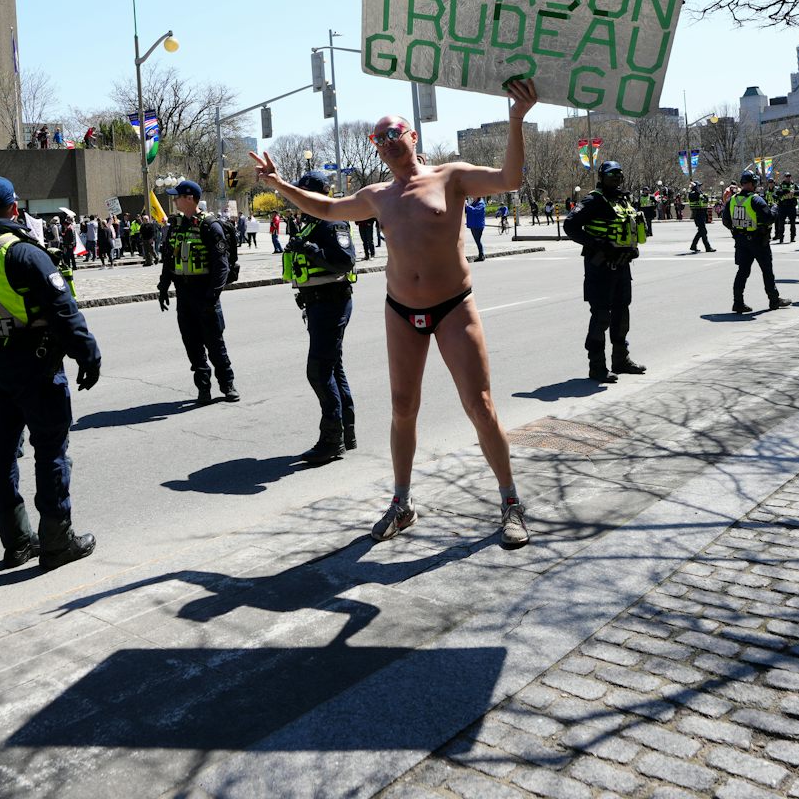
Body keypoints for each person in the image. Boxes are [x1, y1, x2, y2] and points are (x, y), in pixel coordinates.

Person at [252, 77, 539, 549]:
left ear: (413, 137)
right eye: (377, 139)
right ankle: (401, 503)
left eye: (393, 134)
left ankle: (510, 502)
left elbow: (510, 179)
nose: (386, 143)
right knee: (403, 407)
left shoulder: (452, 177)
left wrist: (515, 120)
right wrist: (277, 183)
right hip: (401, 309)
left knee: (480, 405)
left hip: (453, 307)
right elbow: (326, 208)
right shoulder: (376, 195)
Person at [0, 176, 103, 571]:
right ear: (14, 209)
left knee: (2, 454)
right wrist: (89, 355)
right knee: (50, 452)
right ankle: (56, 541)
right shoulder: (24, 253)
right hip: (35, 365)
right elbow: (64, 311)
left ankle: (16, 543)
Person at [281, 171, 358, 465]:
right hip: (317, 304)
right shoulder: (311, 222)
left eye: (303, 193)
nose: (298, 200)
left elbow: (344, 261)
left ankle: (331, 441)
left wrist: (309, 249)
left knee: (319, 371)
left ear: (318, 194)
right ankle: (345, 433)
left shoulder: (331, 221)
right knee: (333, 368)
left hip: (332, 303)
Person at [564, 159, 650, 385]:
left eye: (618, 175)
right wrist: (597, 244)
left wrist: (632, 249)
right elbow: (570, 226)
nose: (615, 179)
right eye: (611, 175)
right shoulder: (593, 200)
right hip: (599, 268)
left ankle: (621, 360)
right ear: (602, 177)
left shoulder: (623, 199)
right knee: (602, 316)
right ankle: (597, 367)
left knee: (622, 314)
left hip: (622, 266)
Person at [156, 179, 240, 405]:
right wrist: (163, 287)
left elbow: (221, 266)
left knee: (215, 344)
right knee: (192, 345)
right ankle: (203, 388)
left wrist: (212, 296)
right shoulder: (176, 226)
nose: (174, 201)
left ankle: (227, 385)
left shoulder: (209, 226)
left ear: (190, 198)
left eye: (177, 197)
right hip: (183, 294)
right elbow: (169, 260)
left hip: (205, 294)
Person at [726, 172, 791, 315]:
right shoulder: (755, 200)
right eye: (754, 183)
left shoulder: (732, 200)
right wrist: (774, 208)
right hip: (758, 240)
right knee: (767, 270)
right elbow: (769, 218)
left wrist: (737, 228)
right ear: (751, 183)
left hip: (741, 241)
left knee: (742, 272)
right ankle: (774, 300)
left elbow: (726, 221)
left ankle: (738, 302)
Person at [686, 181, 715, 253]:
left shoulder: (699, 194)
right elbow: (700, 198)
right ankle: (707, 247)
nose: (700, 187)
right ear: (695, 187)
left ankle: (693, 246)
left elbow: (705, 200)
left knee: (701, 231)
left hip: (702, 214)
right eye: (699, 186)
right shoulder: (693, 194)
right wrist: (698, 192)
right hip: (697, 214)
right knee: (703, 231)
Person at [464, 195, 488, 262]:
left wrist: (467, 206)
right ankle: (481, 255)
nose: (472, 197)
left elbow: (475, 211)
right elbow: (467, 210)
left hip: (478, 225)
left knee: (478, 241)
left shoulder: (481, 203)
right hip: (473, 224)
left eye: (473, 196)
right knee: (477, 241)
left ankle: (481, 255)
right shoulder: (474, 203)